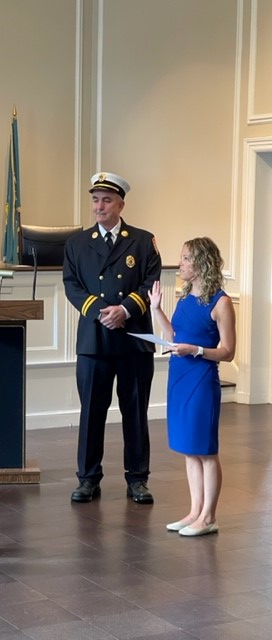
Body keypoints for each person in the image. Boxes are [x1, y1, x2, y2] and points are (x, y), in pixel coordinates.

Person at [63, 172, 162, 503]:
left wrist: (126, 309)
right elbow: (72, 285)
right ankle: (88, 478)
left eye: (106, 200)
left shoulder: (143, 241)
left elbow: (151, 283)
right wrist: (102, 311)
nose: (99, 206)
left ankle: (137, 478)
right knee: (91, 412)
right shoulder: (77, 243)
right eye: (95, 199)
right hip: (94, 338)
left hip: (133, 338)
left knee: (135, 411)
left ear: (121, 204)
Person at [148, 237, 236, 536]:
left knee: (205, 450)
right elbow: (175, 336)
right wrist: (157, 309)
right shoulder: (185, 298)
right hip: (179, 377)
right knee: (189, 450)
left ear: (200, 263)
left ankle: (209, 517)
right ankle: (194, 511)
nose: (181, 263)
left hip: (201, 379)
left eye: (185, 258)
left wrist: (196, 350)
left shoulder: (221, 302)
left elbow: (228, 351)